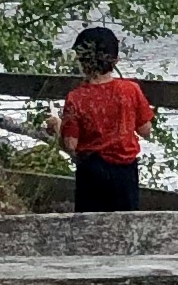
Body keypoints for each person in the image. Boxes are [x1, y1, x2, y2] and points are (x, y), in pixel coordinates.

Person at [55, 26, 155, 211]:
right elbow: (145, 130)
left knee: (90, 226)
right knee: (125, 223)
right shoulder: (130, 90)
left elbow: (70, 144)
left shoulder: (76, 97)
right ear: (115, 59)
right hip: (125, 172)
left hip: (92, 172)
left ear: (81, 60)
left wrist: (58, 128)